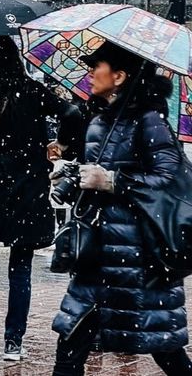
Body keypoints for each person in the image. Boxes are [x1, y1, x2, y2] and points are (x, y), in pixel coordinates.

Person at [49, 41, 192, 375]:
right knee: (70, 343)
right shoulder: (101, 120)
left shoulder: (149, 121)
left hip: (136, 261)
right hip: (98, 257)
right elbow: (97, 169)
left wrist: (114, 181)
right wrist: (72, 174)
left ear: (119, 76)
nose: (89, 73)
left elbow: (170, 181)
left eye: (95, 66)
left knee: (166, 350)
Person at [0, 36, 82, 364]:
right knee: (21, 268)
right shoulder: (32, 90)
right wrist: (64, 145)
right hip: (28, 186)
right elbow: (72, 111)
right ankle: (14, 343)